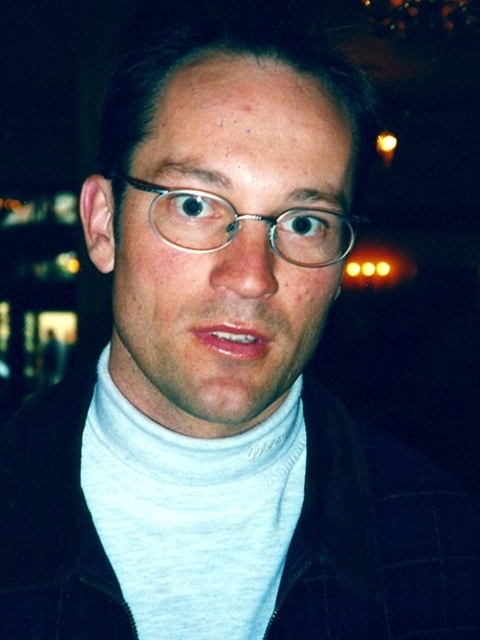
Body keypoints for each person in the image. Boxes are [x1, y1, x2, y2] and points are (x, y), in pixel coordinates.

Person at [1, 21, 479, 640]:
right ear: (102, 225)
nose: (252, 278)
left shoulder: (446, 550)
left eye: (304, 222)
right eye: (194, 205)